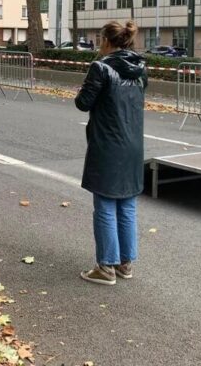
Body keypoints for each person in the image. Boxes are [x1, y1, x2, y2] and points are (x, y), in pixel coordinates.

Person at [74, 20, 147, 286]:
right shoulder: (140, 69)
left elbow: (84, 103)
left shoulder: (100, 68)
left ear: (106, 41)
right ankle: (124, 263)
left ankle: (105, 266)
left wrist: (83, 90)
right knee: (126, 204)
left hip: (107, 144)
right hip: (133, 143)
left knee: (104, 204)